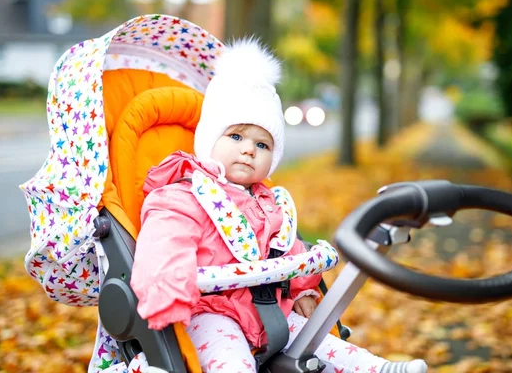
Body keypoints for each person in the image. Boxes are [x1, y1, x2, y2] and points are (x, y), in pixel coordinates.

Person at [130, 38, 428, 373]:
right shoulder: (182, 196)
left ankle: (378, 370)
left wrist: (301, 289)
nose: (248, 150)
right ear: (209, 139)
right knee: (230, 363)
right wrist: (167, 296)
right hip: (208, 312)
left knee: (321, 345)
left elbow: (286, 250)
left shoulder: (269, 203)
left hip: (269, 308)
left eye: (262, 144)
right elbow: (162, 248)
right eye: (236, 137)